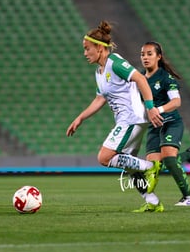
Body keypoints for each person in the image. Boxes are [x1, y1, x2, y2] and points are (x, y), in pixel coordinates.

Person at [66, 21, 163, 210]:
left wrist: (151, 107)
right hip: (127, 120)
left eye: (87, 49)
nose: (85, 53)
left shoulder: (115, 62)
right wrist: (80, 118)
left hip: (132, 118)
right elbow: (99, 99)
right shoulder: (99, 71)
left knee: (104, 157)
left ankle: (150, 166)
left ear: (100, 48)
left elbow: (140, 78)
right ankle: (153, 202)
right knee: (128, 165)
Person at [132, 41, 190, 211]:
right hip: (154, 127)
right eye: (143, 54)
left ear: (158, 57)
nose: (145, 57)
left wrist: (158, 109)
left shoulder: (165, 77)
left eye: (149, 54)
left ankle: (188, 197)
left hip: (171, 122)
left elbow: (177, 101)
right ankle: (189, 155)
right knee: (151, 168)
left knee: (169, 159)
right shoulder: (139, 79)